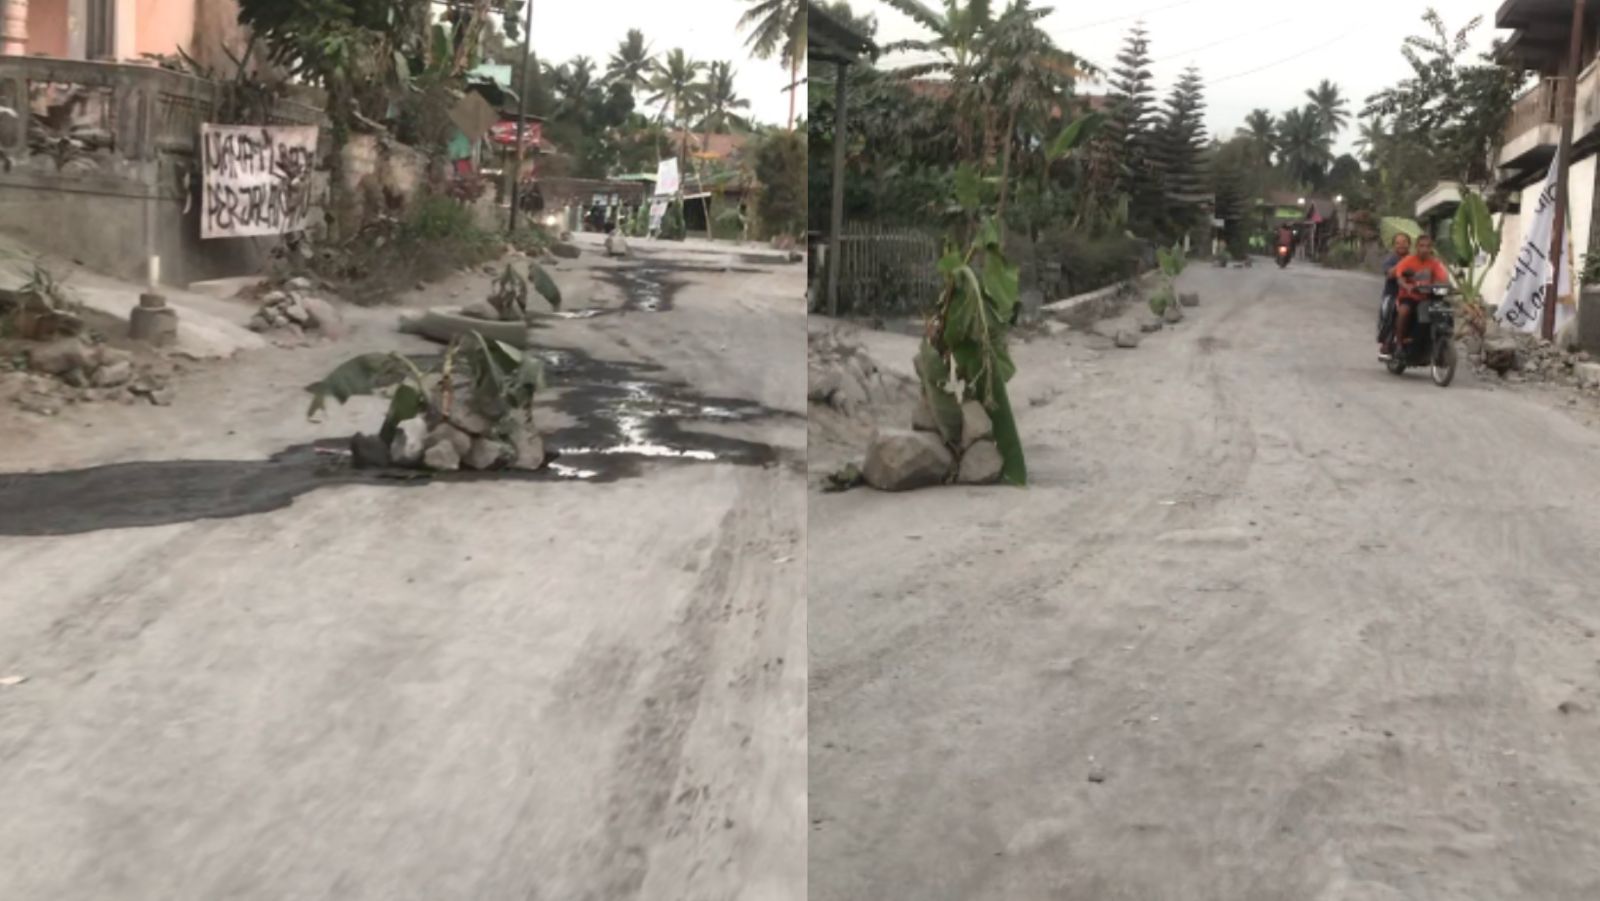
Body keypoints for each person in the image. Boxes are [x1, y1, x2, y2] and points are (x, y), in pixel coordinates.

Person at [1387, 234, 1451, 359]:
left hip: (1427, 298)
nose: (1424, 249)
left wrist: (1448, 287)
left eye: (1427, 246)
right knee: (1404, 311)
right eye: (1422, 246)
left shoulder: (1434, 263)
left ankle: (1437, 344)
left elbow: (1443, 279)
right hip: (1409, 296)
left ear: (1431, 248)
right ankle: (1399, 344)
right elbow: (1399, 277)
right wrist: (1406, 286)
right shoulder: (1408, 260)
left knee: (1443, 312)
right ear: (1416, 247)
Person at [1377, 232, 1412, 355]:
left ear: (1409, 244)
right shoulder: (1390, 259)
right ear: (1394, 246)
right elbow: (1390, 274)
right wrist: (1403, 263)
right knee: (1390, 311)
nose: (1401, 245)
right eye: (1398, 243)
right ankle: (1388, 341)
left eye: (1404, 242)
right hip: (1393, 295)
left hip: (1412, 294)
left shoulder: (1415, 259)